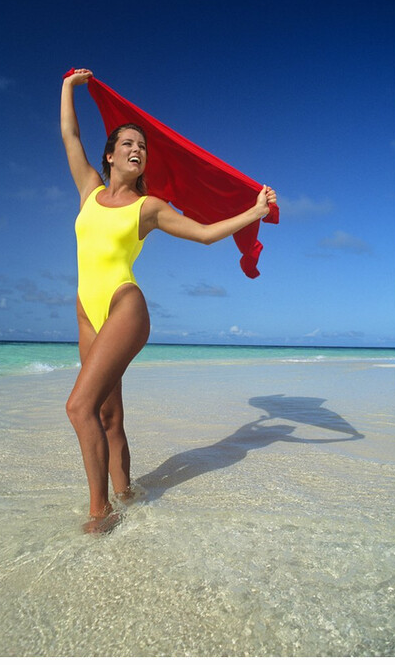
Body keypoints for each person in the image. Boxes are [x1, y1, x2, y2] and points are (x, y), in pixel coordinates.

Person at [61, 68, 277, 533]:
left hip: (123, 305)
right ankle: (126, 493)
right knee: (106, 414)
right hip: (85, 310)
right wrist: (68, 89)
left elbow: (202, 234)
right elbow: (70, 133)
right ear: (110, 155)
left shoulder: (149, 207)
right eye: (128, 144)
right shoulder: (88, 191)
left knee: (78, 406)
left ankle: (100, 513)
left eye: (142, 146)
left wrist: (254, 211)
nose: (137, 149)